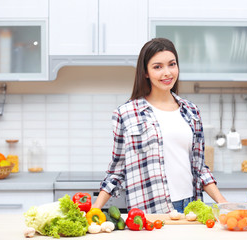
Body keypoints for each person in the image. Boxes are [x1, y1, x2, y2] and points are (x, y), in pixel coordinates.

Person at [92, 38, 227, 214]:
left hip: (191, 208)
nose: (167, 73)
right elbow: (117, 171)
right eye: (157, 67)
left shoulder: (191, 111)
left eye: (172, 64)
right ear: (145, 72)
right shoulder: (126, 113)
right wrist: (95, 208)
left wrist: (224, 203)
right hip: (151, 212)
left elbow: (200, 168)